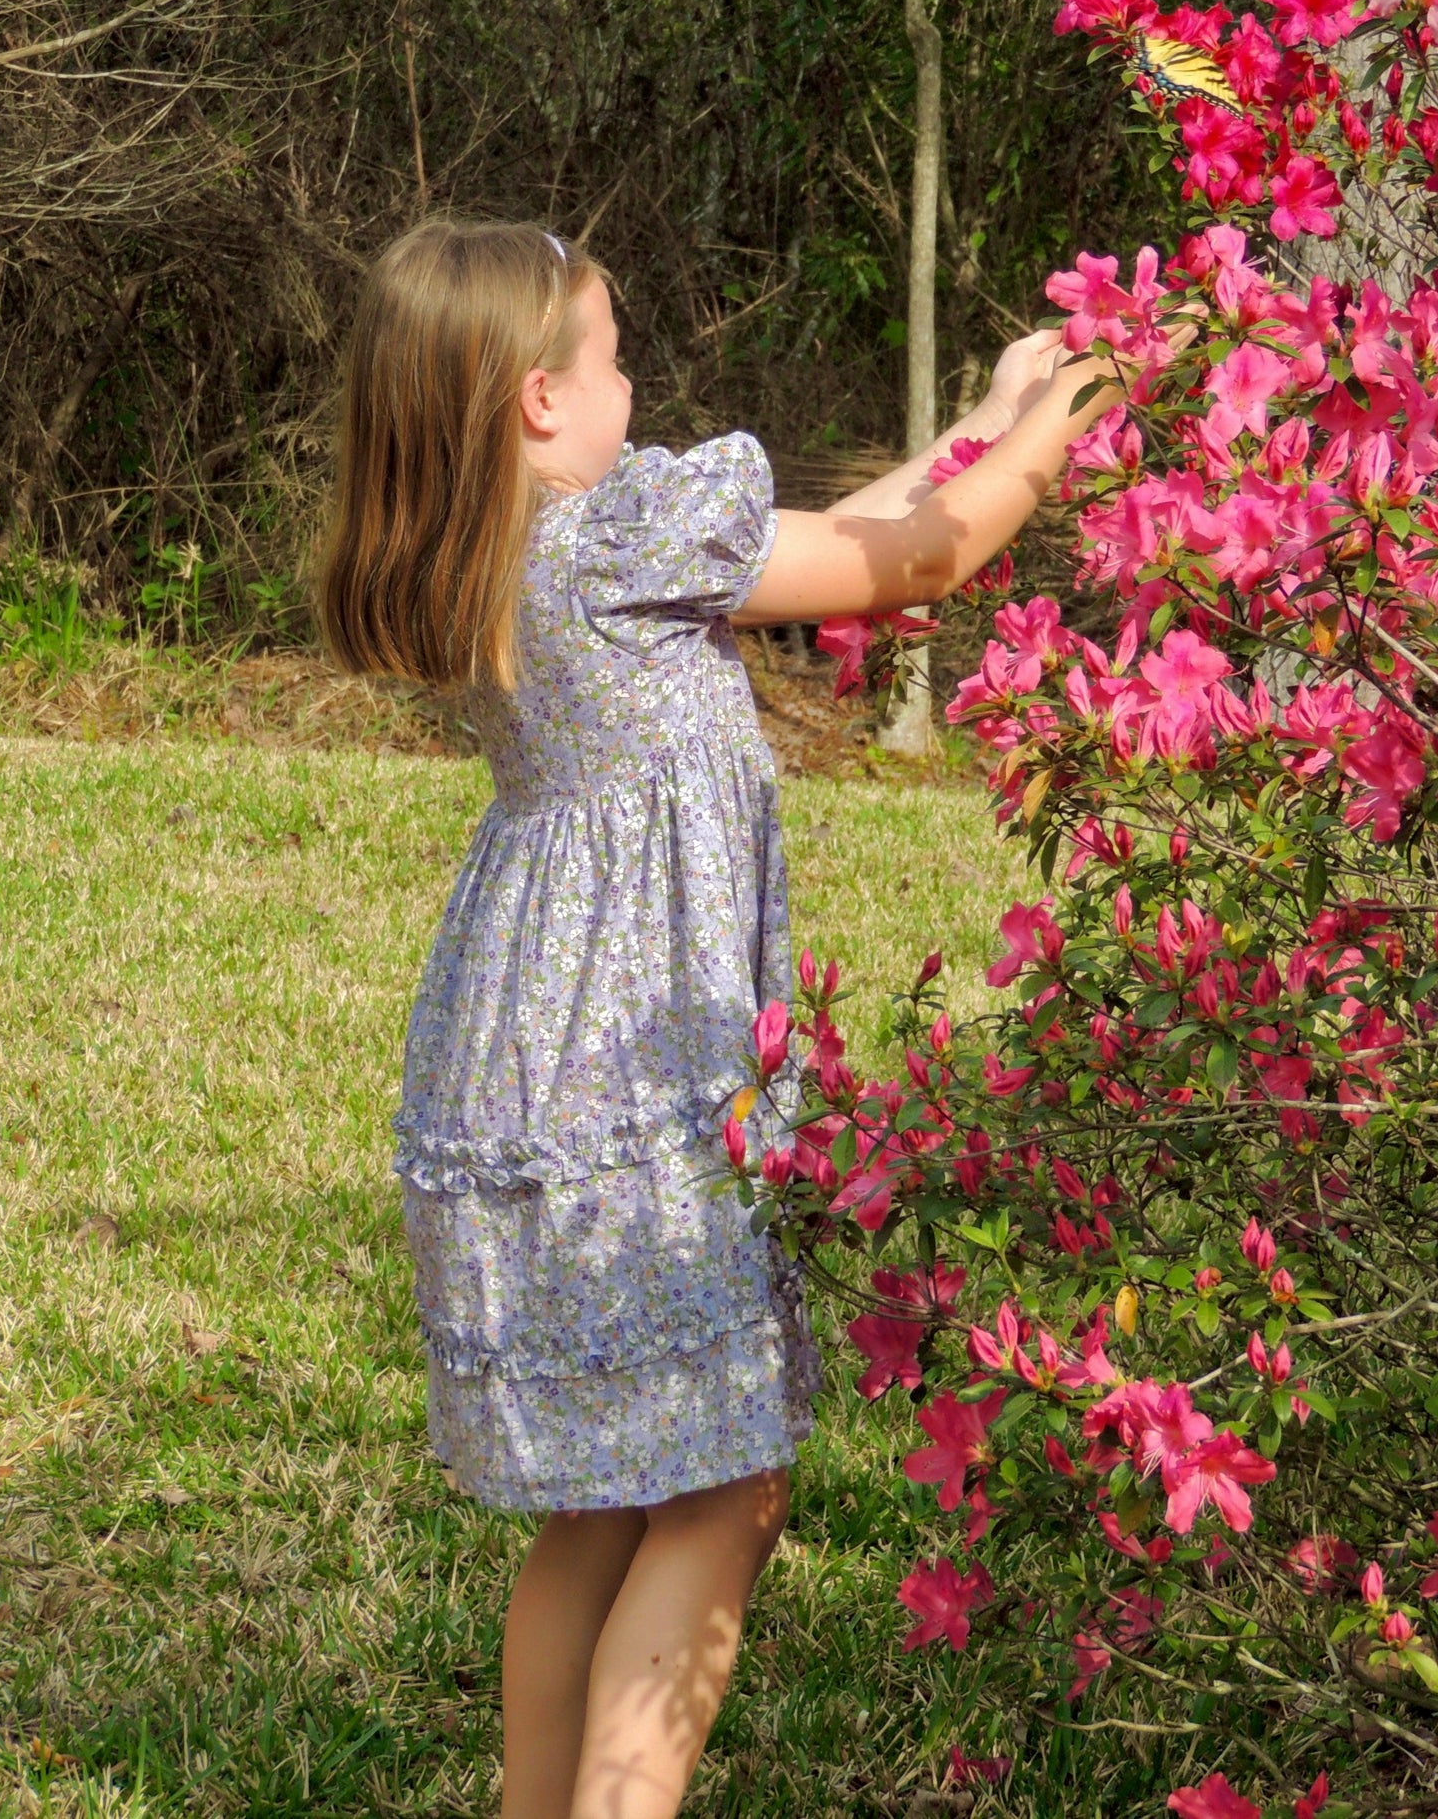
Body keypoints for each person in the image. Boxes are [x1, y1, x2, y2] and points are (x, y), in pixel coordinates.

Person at [318, 218, 1121, 1819]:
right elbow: (929, 561)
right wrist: (1051, 434)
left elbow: (835, 530)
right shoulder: (616, 536)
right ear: (540, 402)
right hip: (643, 1070)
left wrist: (979, 424)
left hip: (519, 1060)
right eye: (610, 356)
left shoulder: (500, 549)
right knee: (722, 1487)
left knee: (602, 1508)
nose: (634, 382)